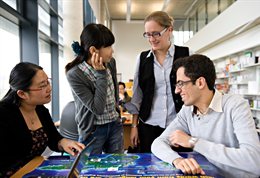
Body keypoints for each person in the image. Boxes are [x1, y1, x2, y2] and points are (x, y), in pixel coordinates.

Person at [151, 54, 260, 178]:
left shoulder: (235, 105)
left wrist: (193, 142)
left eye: (180, 83)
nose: (176, 90)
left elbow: (254, 162)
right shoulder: (187, 110)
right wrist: (177, 160)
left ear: (200, 82)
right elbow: (158, 143)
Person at [0, 62, 85, 177]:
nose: (49, 88)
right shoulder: (4, 115)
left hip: (34, 169)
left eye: (47, 82)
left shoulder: (40, 110)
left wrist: (64, 142)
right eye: (42, 86)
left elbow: (53, 139)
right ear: (22, 94)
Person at [129, 11, 190, 153]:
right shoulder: (143, 58)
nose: (152, 39)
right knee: (149, 167)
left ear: (169, 30)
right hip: (149, 125)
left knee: (180, 167)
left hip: (179, 126)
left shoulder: (187, 54)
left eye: (156, 33)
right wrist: (134, 126)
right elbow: (137, 96)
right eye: (148, 34)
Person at [65, 23, 124, 154]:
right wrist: (101, 75)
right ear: (93, 50)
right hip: (93, 130)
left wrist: (116, 110)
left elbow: (114, 88)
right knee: (90, 170)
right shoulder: (75, 74)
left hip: (114, 124)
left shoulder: (110, 62)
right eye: (108, 46)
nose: (112, 51)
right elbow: (97, 108)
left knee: (117, 167)